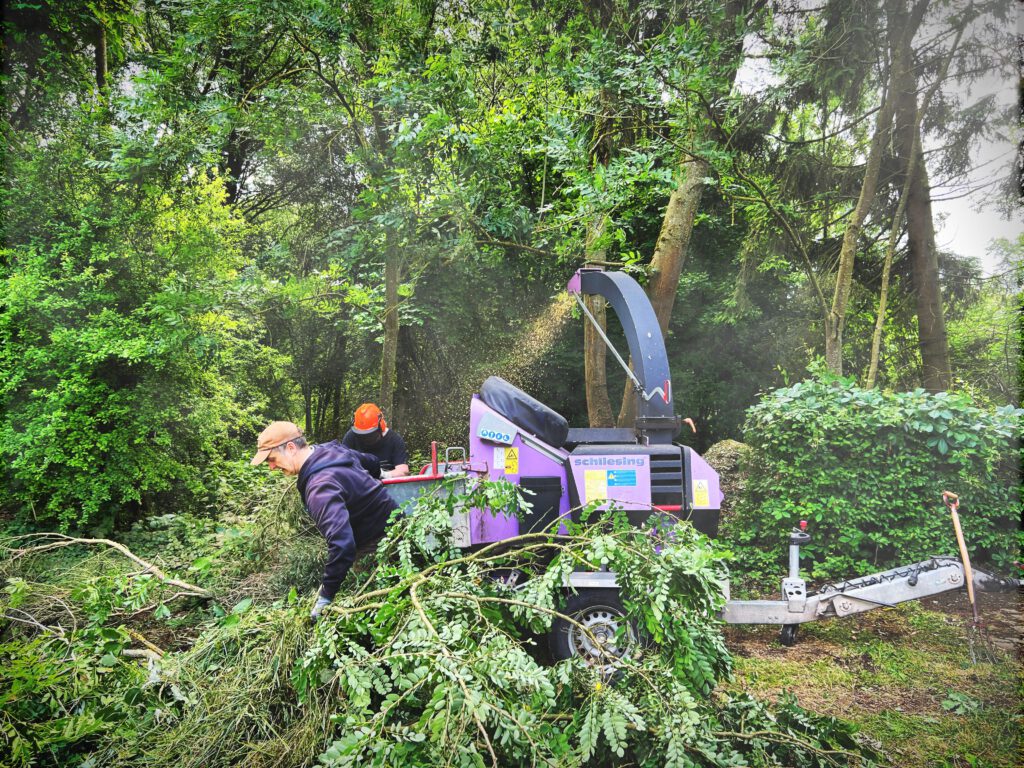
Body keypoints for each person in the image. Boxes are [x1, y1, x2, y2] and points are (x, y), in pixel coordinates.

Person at [250, 421, 398, 619]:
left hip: (379, 547)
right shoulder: (330, 450)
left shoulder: (320, 487)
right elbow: (370, 461)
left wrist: (326, 596)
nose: (271, 467)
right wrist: (377, 477)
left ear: (291, 448)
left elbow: (342, 545)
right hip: (398, 524)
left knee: (369, 608)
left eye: (272, 459)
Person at [341, 403, 410, 478]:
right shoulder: (351, 437)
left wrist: (383, 474)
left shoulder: (394, 440)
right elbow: (341, 465)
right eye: (361, 435)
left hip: (386, 484)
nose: (366, 438)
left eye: (370, 435)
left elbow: (403, 472)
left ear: (380, 427)